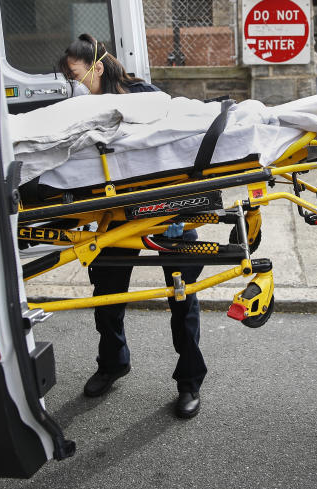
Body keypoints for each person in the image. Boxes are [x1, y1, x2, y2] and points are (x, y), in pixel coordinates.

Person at [57, 33, 206, 418]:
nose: (76, 84)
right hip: (119, 218)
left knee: (182, 299)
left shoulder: (146, 98)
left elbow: (179, 155)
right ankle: (112, 363)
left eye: (77, 75)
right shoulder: (89, 108)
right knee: (107, 299)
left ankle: (189, 381)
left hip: (166, 214)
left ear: (98, 68)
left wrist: (183, 215)